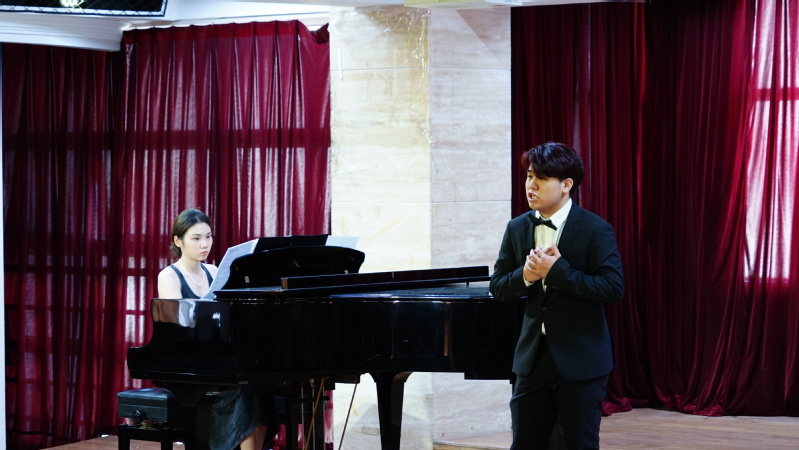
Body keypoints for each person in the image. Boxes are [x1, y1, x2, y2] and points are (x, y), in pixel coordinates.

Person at [489, 142, 624, 449]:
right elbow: (498, 287)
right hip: (532, 358)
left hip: (581, 359)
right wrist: (526, 275)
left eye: (542, 178)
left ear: (566, 185)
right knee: (525, 443)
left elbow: (613, 288)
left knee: (580, 444)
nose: (531, 185)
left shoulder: (595, 229)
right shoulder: (517, 227)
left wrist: (557, 271)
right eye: (529, 176)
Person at [157, 208, 277, 450]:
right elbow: (177, 328)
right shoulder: (169, 276)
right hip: (187, 362)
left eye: (208, 236)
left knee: (260, 386)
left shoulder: (213, 272)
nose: (205, 244)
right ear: (178, 241)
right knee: (243, 392)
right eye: (196, 238)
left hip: (216, 358)